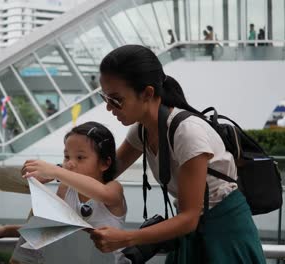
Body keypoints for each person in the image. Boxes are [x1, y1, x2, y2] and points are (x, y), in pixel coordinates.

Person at [90, 45, 266, 263]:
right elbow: (106, 172)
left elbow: (189, 218)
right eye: (104, 97)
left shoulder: (187, 133)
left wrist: (126, 238)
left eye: (116, 100)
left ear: (147, 93)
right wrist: (54, 174)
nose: (109, 107)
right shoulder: (142, 130)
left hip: (225, 235)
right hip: (196, 232)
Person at [0, 121, 129, 264]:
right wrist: (8, 230)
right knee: (39, 208)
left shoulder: (113, 188)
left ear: (105, 163)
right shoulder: (65, 188)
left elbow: (103, 193)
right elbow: (54, 228)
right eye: (67, 156)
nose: (70, 163)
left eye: (80, 157)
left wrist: (55, 171)